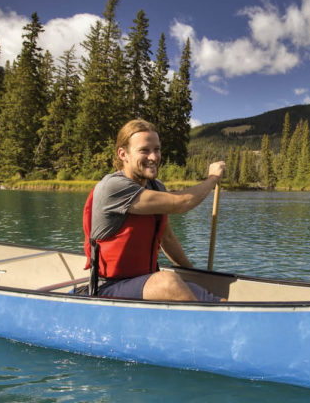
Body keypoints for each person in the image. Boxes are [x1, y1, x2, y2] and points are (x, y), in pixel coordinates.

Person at [83, 119, 226, 302]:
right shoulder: (113, 187)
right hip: (108, 288)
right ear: (123, 154)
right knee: (168, 282)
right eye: (144, 150)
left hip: (144, 282)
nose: (153, 157)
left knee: (218, 300)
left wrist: (196, 275)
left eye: (156, 149)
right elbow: (180, 203)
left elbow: (167, 239)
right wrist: (212, 178)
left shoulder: (156, 187)